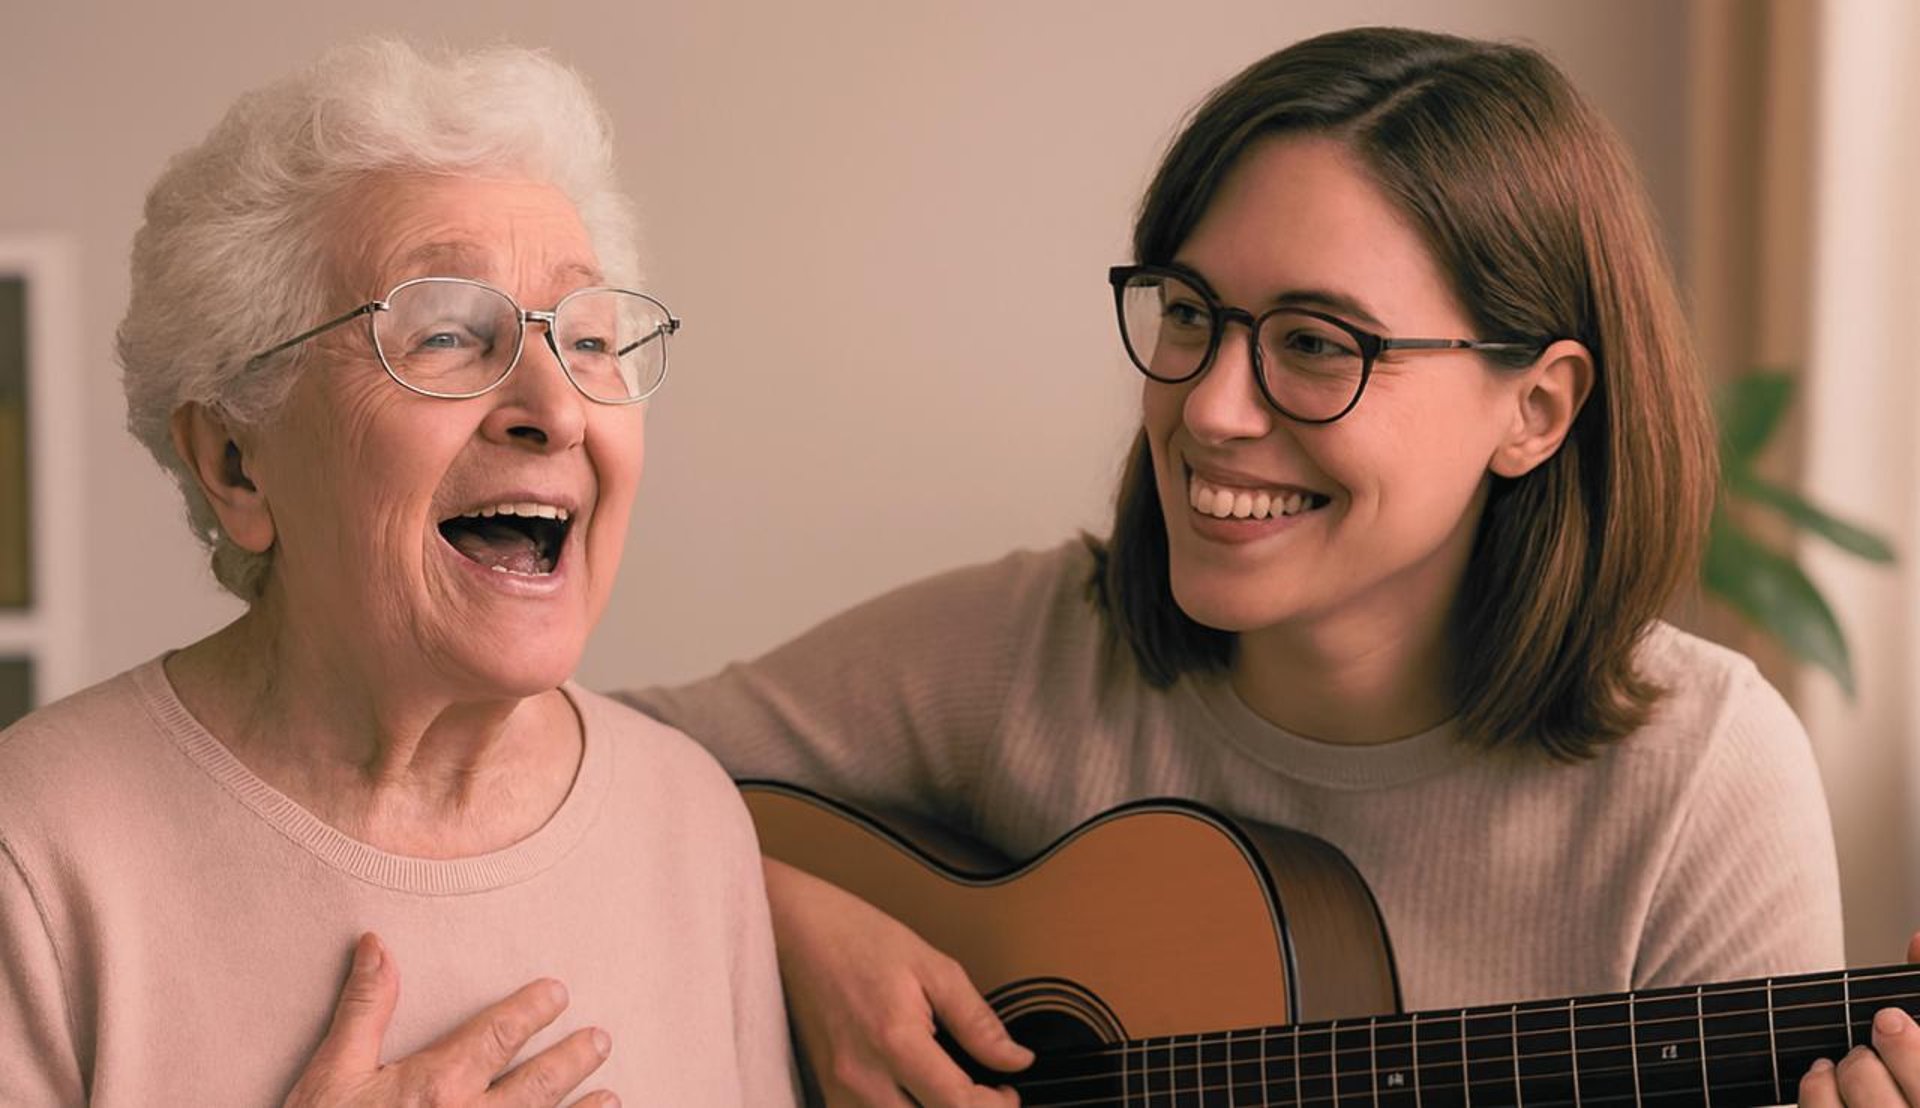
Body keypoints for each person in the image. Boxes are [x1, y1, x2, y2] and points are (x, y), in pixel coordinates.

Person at [622, 25, 1864, 1107]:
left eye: (1317, 344)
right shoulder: (1032, 651)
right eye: (1189, 313)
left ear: (1534, 410)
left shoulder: (1702, 784)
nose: (1210, 408)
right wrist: (788, 924)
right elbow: (529, 763)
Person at [0, 39, 796, 1106]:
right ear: (238, 461)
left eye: (592, 341)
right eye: (448, 336)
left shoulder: (687, 818)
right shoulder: (38, 850)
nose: (557, 408)